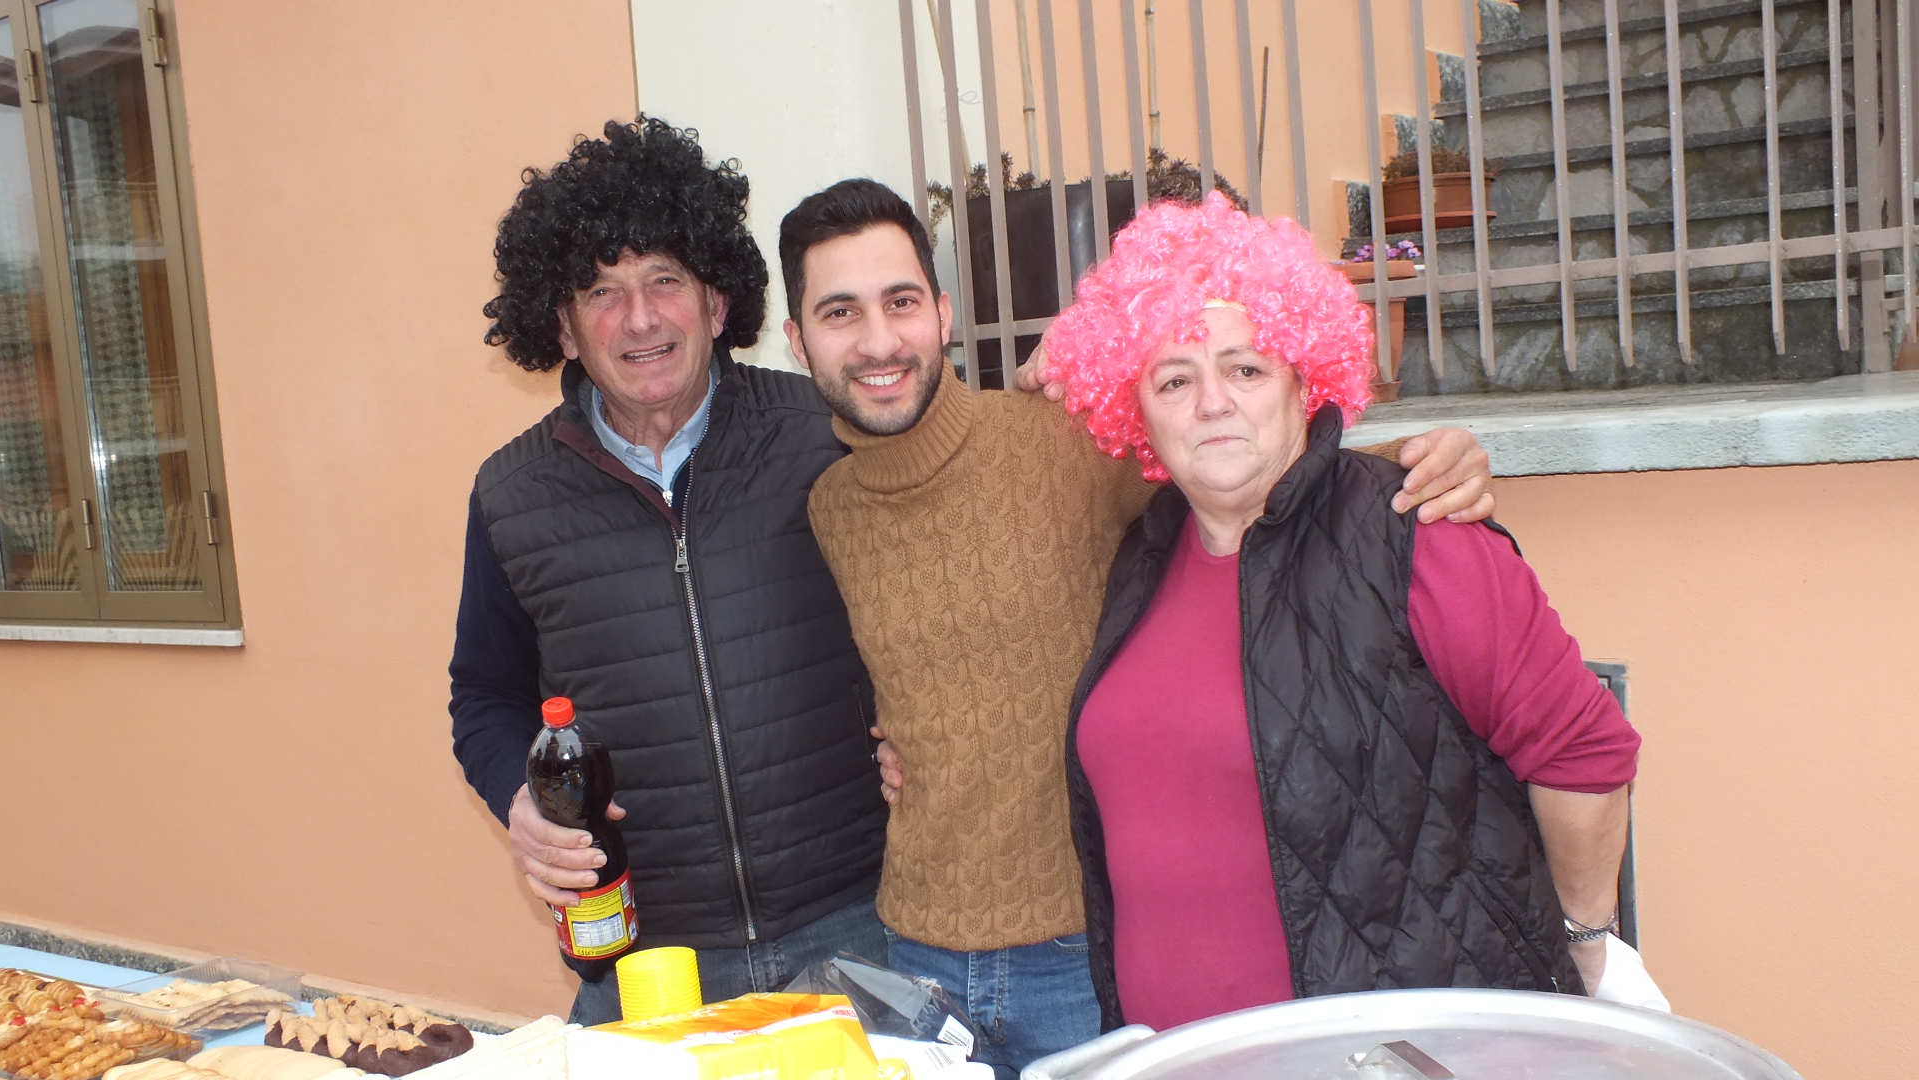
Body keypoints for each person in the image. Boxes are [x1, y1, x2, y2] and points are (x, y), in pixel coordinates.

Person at [777, 179, 1497, 1076]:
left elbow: (1254, 474)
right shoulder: (832, 508)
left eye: (901, 302)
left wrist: (1424, 463)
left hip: (1080, 956)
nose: (879, 341)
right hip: (915, 952)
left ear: (944, 313)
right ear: (797, 341)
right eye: (840, 313)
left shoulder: (1061, 441)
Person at [1037, 192, 1649, 1033]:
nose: (1212, 402)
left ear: (1303, 379)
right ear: (1136, 410)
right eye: (1174, 379)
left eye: (1245, 369)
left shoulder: (1416, 533)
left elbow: (1583, 752)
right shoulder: (1144, 553)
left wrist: (1585, 943)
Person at [449, 118, 888, 1025]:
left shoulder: (826, 439)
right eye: (602, 293)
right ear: (564, 328)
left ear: (716, 303)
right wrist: (519, 802)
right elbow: (485, 696)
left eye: (664, 281)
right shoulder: (510, 497)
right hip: (645, 962)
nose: (641, 318)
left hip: (857, 932)